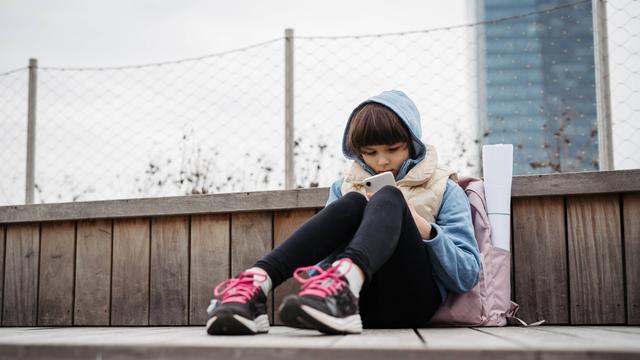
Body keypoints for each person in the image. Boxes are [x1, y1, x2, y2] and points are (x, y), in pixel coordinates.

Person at [205, 90, 481, 335]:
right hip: (358, 305)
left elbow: (467, 274)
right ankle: (256, 285)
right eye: (370, 152)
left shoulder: (445, 187)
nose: (382, 160)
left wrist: (422, 226)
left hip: (412, 302)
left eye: (392, 149)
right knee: (354, 202)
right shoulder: (343, 188)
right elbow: (320, 262)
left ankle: (343, 287)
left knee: (388, 195)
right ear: (358, 153)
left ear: (412, 143)